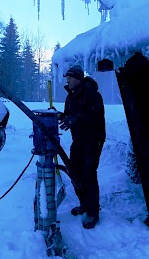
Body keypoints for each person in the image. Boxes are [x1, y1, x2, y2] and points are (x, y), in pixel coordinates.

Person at [58, 65, 106, 229]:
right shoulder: (71, 97)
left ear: (78, 78)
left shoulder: (93, 95)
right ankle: (84, 204)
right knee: (75, 172)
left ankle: (92, 212)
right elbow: (71, 115)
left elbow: (94, 117)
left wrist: (75, 119)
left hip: (93, 140)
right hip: (78, 140)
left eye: (70, 78)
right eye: (67, 79)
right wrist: (62, 116)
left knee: (88, 174)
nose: (68, 81)